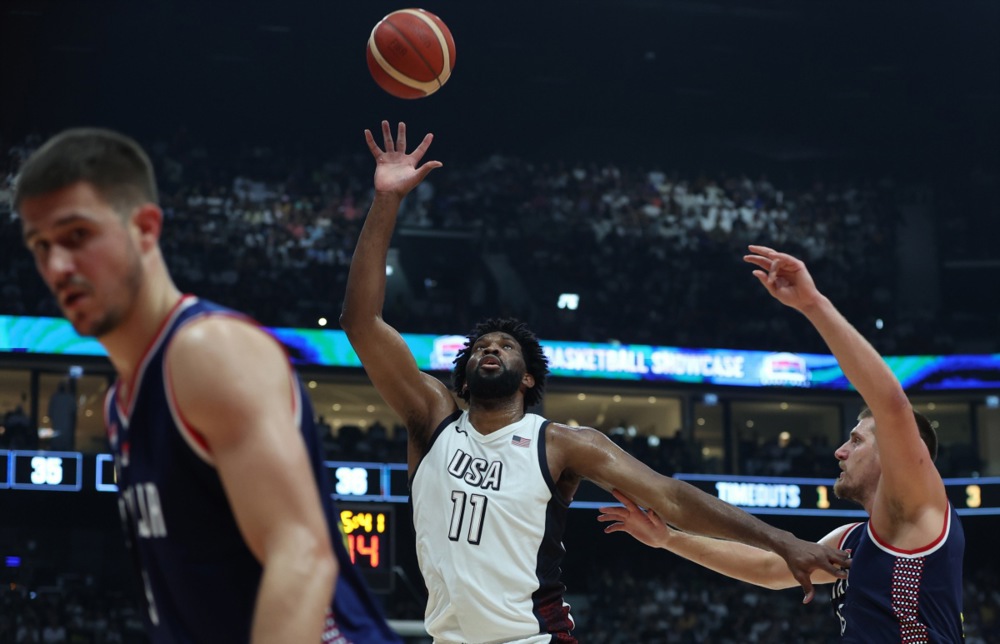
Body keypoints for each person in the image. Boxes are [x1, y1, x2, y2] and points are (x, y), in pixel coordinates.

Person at [340, 122, 850, 643]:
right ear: (464, 376)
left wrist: (782, 539)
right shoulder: (432, 417)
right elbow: (362, 323)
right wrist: (386, 201)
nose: (490, 348)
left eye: (505, 345)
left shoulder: (561, 444)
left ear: (528, 378)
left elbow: (670, 497)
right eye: (481, 346)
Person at [14, 128, 401, 644]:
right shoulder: (119, 403)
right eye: (41, 247)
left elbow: (302, 555)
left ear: (146, 228)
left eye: (77, 235)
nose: (57, 266)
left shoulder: (207, 353)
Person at [599, 245, 965, 642]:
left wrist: (813, 304)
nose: (840, 452)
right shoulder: (851, 540)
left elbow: (892, 405)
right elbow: (768, 571)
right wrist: (669, 539)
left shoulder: (919, 507)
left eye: (856, 441)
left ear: (899, 454)